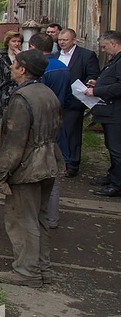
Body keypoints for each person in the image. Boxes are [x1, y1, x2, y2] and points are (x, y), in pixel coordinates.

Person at [0, 49, 64, 288]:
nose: (11, 67)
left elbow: (14, 142)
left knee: (22, 220)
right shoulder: (47, 93)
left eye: (15, 64)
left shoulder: (22, 99)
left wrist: (1, 173)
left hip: (28, 168)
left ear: (23, 69)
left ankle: (26, 271)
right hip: (49, 162)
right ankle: (42, 268)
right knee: (39, 218)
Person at [28, 33, 70, 228]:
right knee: (53, 172)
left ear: (34, 47)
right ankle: (51, 217)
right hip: (58, 122)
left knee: (35, 172)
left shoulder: (40, 69)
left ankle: (35, 215)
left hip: (39, 126)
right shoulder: (63, 67)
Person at [57, 29, 100, 177]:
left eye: (65, 40)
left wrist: (85, 84)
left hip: (75, 100)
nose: (62, 42)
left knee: (72, 133)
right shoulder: (56, 55)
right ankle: (60, 160)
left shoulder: (86, 55)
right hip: (57, 100)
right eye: (60, 40)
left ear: (74, 40)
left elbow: (93, 74)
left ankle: (72, 164)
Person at [84, 31, 121, 197]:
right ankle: (112, 176)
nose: (104, 50)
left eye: (105, 47)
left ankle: (117, 184)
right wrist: (98, 82)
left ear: (114, 44)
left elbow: (119, 87)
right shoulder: (115, 60)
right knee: (111, 146)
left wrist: (96, 90)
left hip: (116, 113)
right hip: (109, 112)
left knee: (116, 149)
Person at [0, 31, 23, 158]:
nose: (16, 44)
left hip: (15, 91)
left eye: (18, 41)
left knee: (12, 123)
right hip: (0, 91)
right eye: (14, 41)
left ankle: (10, 149)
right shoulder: (0, 55)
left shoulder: (23, 56)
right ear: (8, 42)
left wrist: (22, 58)